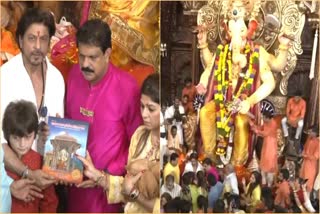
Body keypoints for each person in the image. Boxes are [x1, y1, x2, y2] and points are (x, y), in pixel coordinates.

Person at [196, 0, 291, 165]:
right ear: (227, 29)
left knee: (241, 123)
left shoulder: (257, 52)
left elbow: (273, 76)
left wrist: (283, 46)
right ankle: (210, 157)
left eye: (240, 29)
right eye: (232, 28)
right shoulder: (223, 50)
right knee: (205, 113)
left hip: (243, 103)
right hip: (222, 99)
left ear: (250, 28)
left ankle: (238, 164)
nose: (236, 35)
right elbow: (209, 68)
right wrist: (203, 82)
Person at [1, 7, 65, 190]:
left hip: (48, 179)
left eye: (43, 39)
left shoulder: (57, 78)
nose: (37, 46)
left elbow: (57, 134)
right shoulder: (4, 77)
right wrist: (28, 172)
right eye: (31, 38)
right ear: (20, 40)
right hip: (11, 182)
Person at [76, 73, 159, 212]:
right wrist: (98, 177)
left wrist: (134, 194)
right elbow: (126, 187)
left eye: (151, 109)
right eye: (142, 106)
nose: (144, 114)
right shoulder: (140, 135)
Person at [3, 100, 58, 212]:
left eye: (27, 137)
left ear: (35, 134)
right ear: (7, 135)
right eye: (16, 138)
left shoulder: (41, 162)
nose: (22, 144)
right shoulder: (1, 158)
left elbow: (49, 202)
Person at [249, 111, 278, 187]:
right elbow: (261, 128)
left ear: (268, 118)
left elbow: (264, 133)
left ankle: (268, 187)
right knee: (263, 168)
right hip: (266, 145)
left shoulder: (273, 123)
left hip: (271, 147)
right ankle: (264, 185)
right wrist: (254, 126)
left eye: (264, 118)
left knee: (269, 169)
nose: (263, 120)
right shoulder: (266, 122)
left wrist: (256, 130)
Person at [299, 124, 319, 194]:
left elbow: (315, 157)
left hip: (311, 166)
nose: (309, 133)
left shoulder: (318, 143)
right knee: (303, 183)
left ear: (315, 133)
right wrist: (303, 153)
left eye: (310, 132)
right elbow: (304, 148)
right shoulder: (308, 139)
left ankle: (307, 201)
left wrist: (305, 155)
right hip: (305, 164)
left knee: (308, 185)